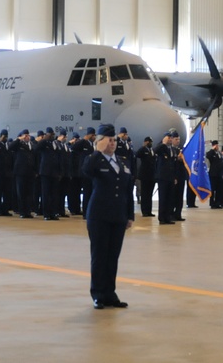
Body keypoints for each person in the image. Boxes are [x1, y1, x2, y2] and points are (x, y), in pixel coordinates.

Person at [82, 124, 134, 310]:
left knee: (113, 257)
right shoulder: (94, 160)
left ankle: (110, 293)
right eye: (109, 140)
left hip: (118, 216)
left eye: (114, 140)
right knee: (99, 256)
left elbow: (128, 190)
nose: (112, 143)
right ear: (100, 141)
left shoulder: (123, 161)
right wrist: (98, 151)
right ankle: (98, 294)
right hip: (99, 216)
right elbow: (86, 171)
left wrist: (130, 215)